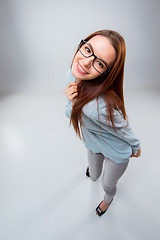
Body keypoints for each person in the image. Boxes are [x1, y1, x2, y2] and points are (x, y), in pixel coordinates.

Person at [65, 30, 141, 216]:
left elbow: (123, 128)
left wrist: (136, 146)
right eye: (87, 49)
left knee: (107, 184)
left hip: (116, 151)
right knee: (94, 175)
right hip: (93, 142)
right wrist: (74, 103)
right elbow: (70, 114)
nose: (85, 62)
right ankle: (94, 171)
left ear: (106, 73)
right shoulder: (73, 74)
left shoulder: (96, 106)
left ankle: (107, 200)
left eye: (99, 63)